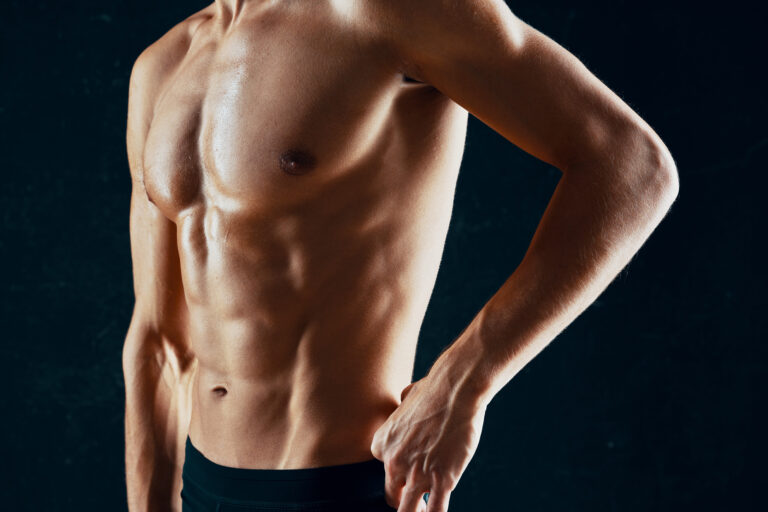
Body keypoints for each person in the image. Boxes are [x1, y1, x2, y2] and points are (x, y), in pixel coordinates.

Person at [121, 0, 679, 511]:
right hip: (202, 488)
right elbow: (158, 341)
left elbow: (633, 167)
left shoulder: (386, 10)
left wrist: (463, 380)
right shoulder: (164, 65)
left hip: (344, 487)